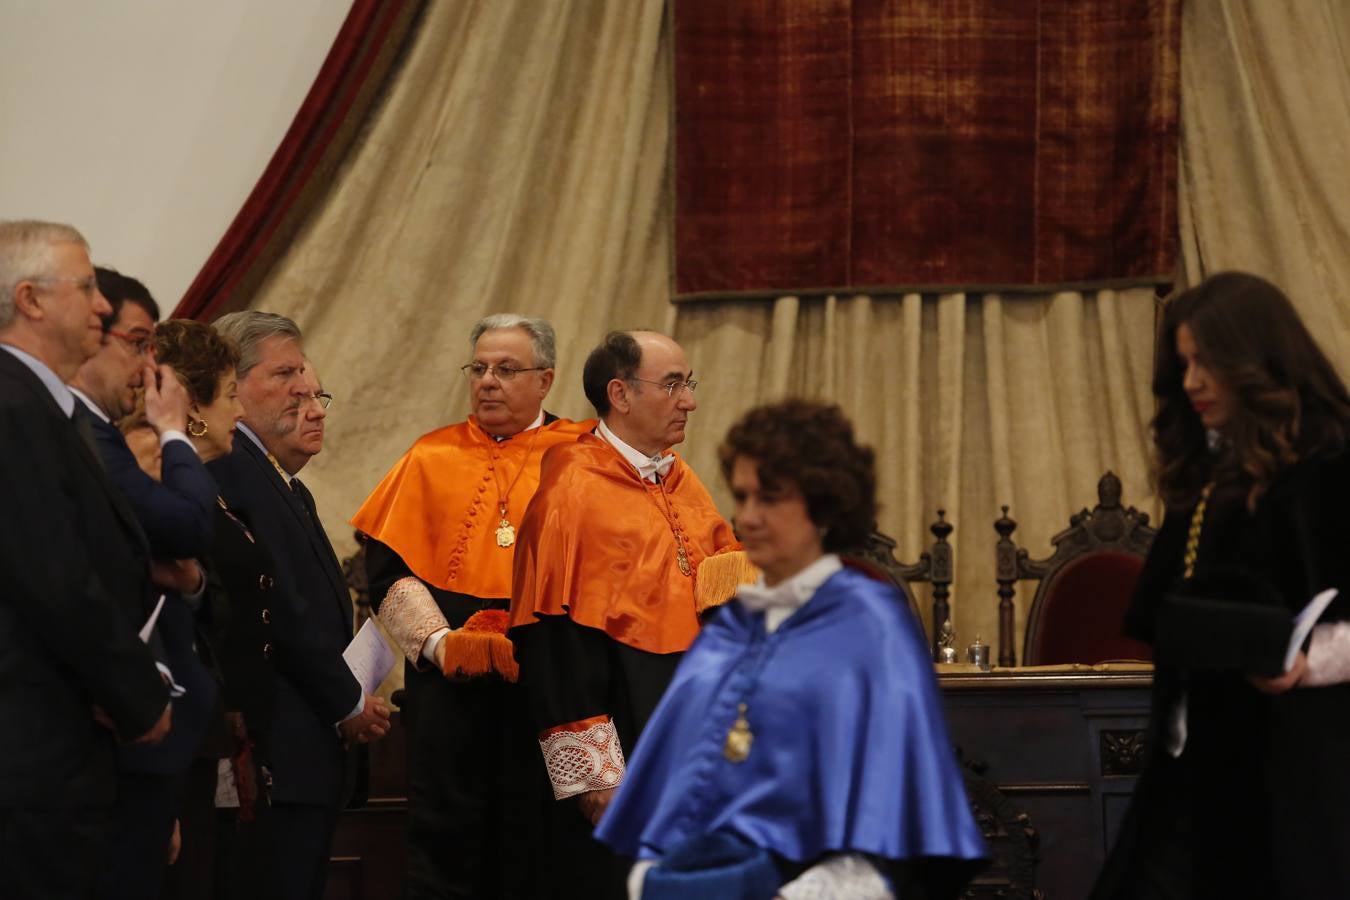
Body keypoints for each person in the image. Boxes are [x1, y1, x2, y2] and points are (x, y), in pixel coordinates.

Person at [595, 400, 987, 899]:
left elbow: (896, 811)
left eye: (770, 498)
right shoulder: (728, 628)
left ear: (824, 507)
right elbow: (678, 789)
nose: (749, 517)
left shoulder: (870, 626)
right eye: (742, 497)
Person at [1090, 272, 1350, 899]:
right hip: (1195, 768)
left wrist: (1307, 662)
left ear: (1257, 358)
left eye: (1206, 363)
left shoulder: (1333, 465)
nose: (1192, 384)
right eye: (1184, 365)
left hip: (1294, 772)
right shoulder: (1210, 474)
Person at [353, 314, 594, 899]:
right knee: (447, 851)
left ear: (545, 380)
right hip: (452, 698)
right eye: (479, 368)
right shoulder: (428, 456)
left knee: (555, 848)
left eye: (506, 369)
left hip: (555, 688)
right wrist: (441, 644)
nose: (488, 381)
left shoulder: (586, 455)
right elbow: (385, 575)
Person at [509, 329, 737, 898]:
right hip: (622, 739)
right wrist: (595, 777)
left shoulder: (682, 481)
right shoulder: (571, 488)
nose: (689, 400)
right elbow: (551, 638)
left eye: (689, 384)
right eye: (673, 384)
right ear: (621, 393)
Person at [0, 219, 171, 898]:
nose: (103, 305)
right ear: (31, 299)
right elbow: (55, 579)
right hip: (32, 750)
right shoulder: (12, 406)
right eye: (89, 286)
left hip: (56, 747)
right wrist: (137, 696)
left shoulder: (38, 404)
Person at [208, 310, 388, 900]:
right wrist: (345, 701)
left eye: (315, 391)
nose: (309, 403)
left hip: (303, 754)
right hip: (274, 751)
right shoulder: (232, 467)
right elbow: (278, 604)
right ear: (231, 382)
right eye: (286, 376)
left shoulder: (283, 482)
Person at [67, 275, 219, 900]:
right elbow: (187, 527)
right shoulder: (90, 434)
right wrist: (174, 428)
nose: (148, 367)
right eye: (138, 343)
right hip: (95, 746)